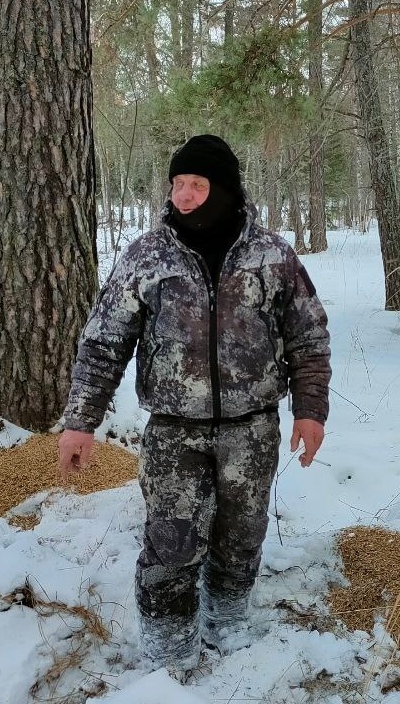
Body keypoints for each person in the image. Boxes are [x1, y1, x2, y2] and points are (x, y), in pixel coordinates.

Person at [55, 134, 332, 679]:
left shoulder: (271, 256)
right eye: (177, 184)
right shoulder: (146, 256)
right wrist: (80, 421)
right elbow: (105, 342)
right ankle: (167, 644)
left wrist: (310, 409)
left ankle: (227, 619)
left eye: (197, 185)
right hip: (172, 430)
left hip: (251, 429)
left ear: (224, 190)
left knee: (242, 535)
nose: (183, 195)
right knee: (172, 541)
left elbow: (308, 335)